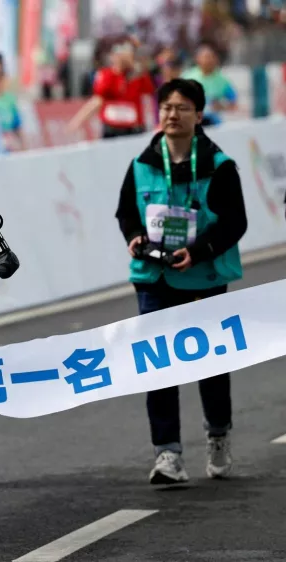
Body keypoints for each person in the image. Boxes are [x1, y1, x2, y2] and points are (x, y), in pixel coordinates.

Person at [114, 78, 247, 485]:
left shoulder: (219, 166)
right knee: (158, 366)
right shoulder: (141, 164)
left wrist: (201, 251)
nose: (172, 115)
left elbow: (235, 223)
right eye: (167, 107)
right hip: (155, 277)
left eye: (182, 108)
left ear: (199, 115)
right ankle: (167, 454)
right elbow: (125, 214)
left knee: (212, 365)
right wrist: (135, 237)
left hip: (203, 276)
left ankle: (218, 435)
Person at [68, 37, 156, 139]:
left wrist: (135, 66)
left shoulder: (138, 75)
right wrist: (78, 120)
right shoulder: (106, 75)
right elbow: (98, 100)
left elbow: (149, 91)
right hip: (112, 130)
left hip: (134, 129)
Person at [181, 43, 237, 127]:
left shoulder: (222, 80)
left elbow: (234, 102)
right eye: (206, 57)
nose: (209, 60)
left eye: (212, 57)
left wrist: (223, 106)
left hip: (216, 124)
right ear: (198, 59)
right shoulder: (188, 77)